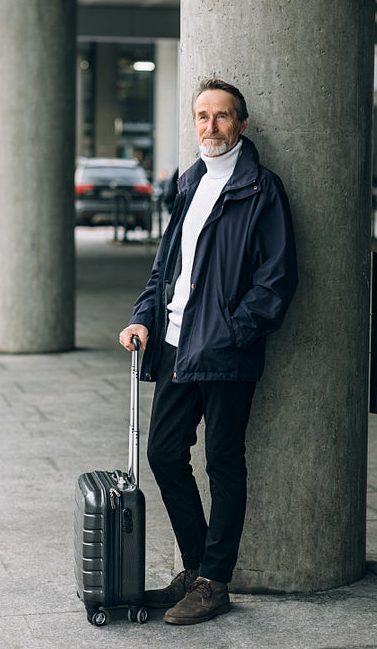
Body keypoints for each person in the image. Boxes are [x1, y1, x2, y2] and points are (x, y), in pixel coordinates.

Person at [119, 77, 297, 625]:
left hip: (225, 351)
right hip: (176, 346)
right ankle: (195, 568)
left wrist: (234, 331)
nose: (211, 127)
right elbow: (166, 266)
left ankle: (215, 582)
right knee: (164, 454)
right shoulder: (189, 182)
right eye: (202, 116)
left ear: (241, 124)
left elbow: (278, 279)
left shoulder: (261, 190)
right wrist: (142, 316)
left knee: (223, 463)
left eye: (222, 117)